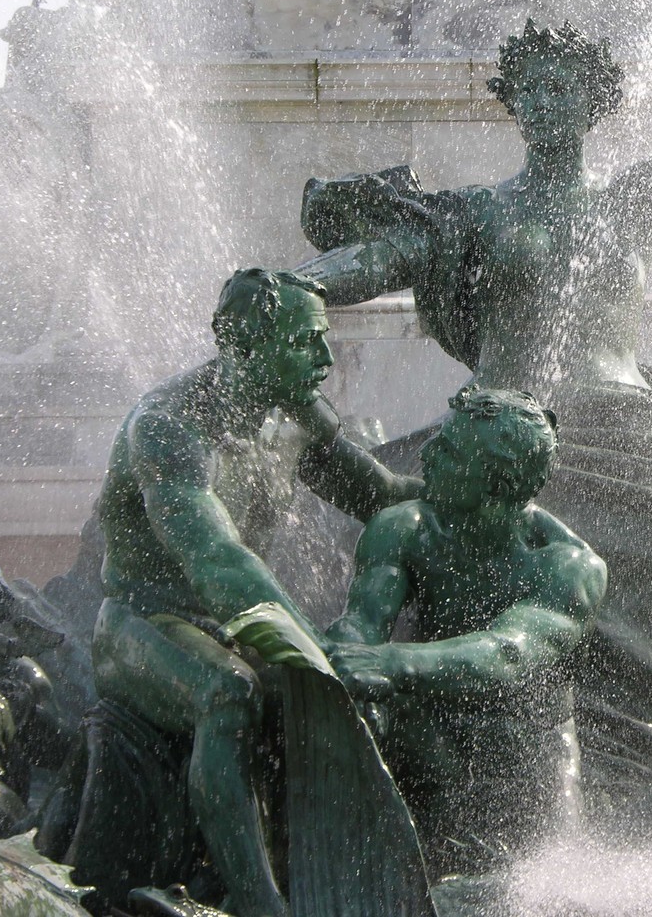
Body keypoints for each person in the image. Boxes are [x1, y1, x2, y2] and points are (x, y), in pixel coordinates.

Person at [296, 0, 652, 794]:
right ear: (514, 105)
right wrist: (302, 288)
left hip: (632, 427)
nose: (545, 104)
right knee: (355, 515)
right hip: (496, 436)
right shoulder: (476, 212)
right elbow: (383, 256)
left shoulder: (631, 201)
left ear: (593, 102)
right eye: (530, 91)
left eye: (562, 89)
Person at [84, 268, 419, 917]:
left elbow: (379, 495)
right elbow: (217, 560)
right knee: (228, 693)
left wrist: (484, 496)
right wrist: (308, 653)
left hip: (232, 628)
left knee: (365, 702)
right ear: (242, 345)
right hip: (144, 623)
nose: (326, 359)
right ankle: (260, 903)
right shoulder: (167, 428)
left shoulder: (293, 420)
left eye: (324, 339)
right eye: (304, 342)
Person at [327, 386, 607, 875]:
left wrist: (390, 662)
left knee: (544, 888)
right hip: (430, 720)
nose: (427, 454)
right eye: (439, 438)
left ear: (497, 486)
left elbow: (510, 655)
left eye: (450, 452)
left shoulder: (567, 565)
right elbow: (362, 622)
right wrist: (347, 662)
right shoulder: (403, 527)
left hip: (527, 748)